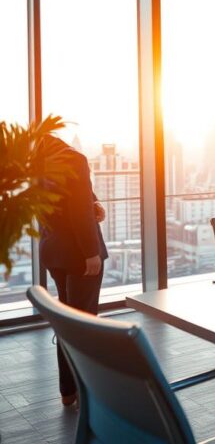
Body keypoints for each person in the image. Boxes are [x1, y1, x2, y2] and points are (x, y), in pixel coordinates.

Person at [38, 135, 108, 407]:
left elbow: (67, 204)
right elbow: (78, 211)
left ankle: (68, 391)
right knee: (84, 324)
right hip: (80, 256)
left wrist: (95, 205)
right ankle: (89, 392)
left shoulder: (38, 167)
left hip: (53, 252)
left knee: (67, 322)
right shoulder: (75, 159)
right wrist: (91, 252)